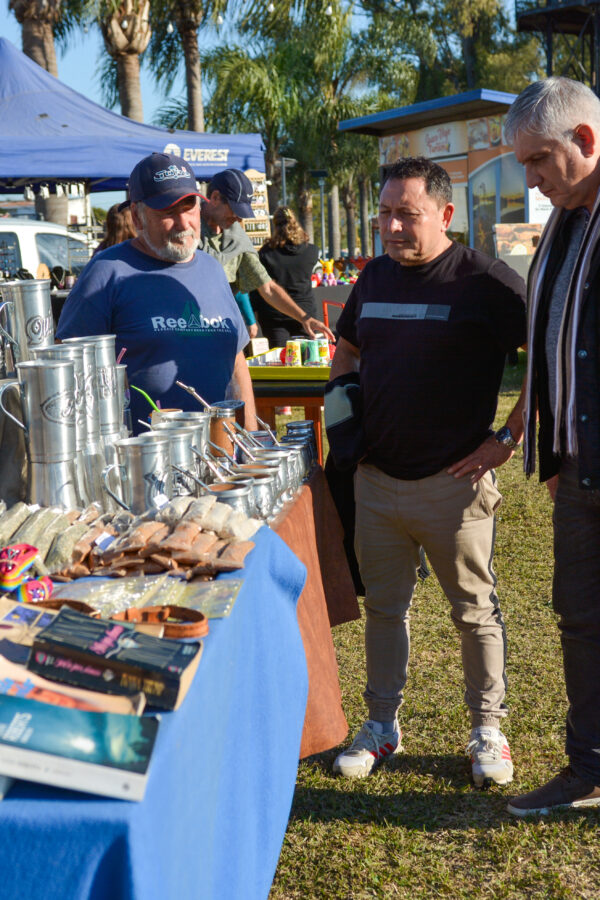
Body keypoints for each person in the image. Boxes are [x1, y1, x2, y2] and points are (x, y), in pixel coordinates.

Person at [330, 156, 527, 787]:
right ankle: (382, 724)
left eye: (405, 214)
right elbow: (349, 349)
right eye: (384, 214)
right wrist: (345, 427)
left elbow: (551, 357)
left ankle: (488, 729)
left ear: (445, 214)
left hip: (456, 486)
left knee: (474, 611)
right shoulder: (373, 277)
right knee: (385, 610)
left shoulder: (485, 280)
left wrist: (507, 438)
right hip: (377, 481)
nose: (390, 227)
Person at [503, 77, 600, 816]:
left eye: (539, 160)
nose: (530, 179)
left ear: (587, 141)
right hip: (579, 468)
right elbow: (559, 342)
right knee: (581, 618)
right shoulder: (568, 219)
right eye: (523, 164)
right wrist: (554, 449)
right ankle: (588, 767)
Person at [57, 152, 256, 434]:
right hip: (145, 460)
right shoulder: (106, 272)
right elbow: (67, 369)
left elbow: (237, 361)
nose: (184, 223)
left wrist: (251, 434)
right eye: (168, 212)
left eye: (189, 208)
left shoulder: (212, 269)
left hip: (222, 454)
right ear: (137, 216)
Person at [199, 169, 334, 343]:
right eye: (234, 210)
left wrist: (303, 317)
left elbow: (268, 287)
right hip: (185, 326)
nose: (238, 219)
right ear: (215, 198)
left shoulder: (237, 236)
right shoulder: (187, 226)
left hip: (219, 330)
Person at [251, 206, 319, 346]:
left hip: (274, 315)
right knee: (307, 361)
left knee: (280, 360)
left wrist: (254, 312)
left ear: (275, 225)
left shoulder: (266, 254)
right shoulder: (311, 251)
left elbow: (258, 288)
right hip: (305, 312)